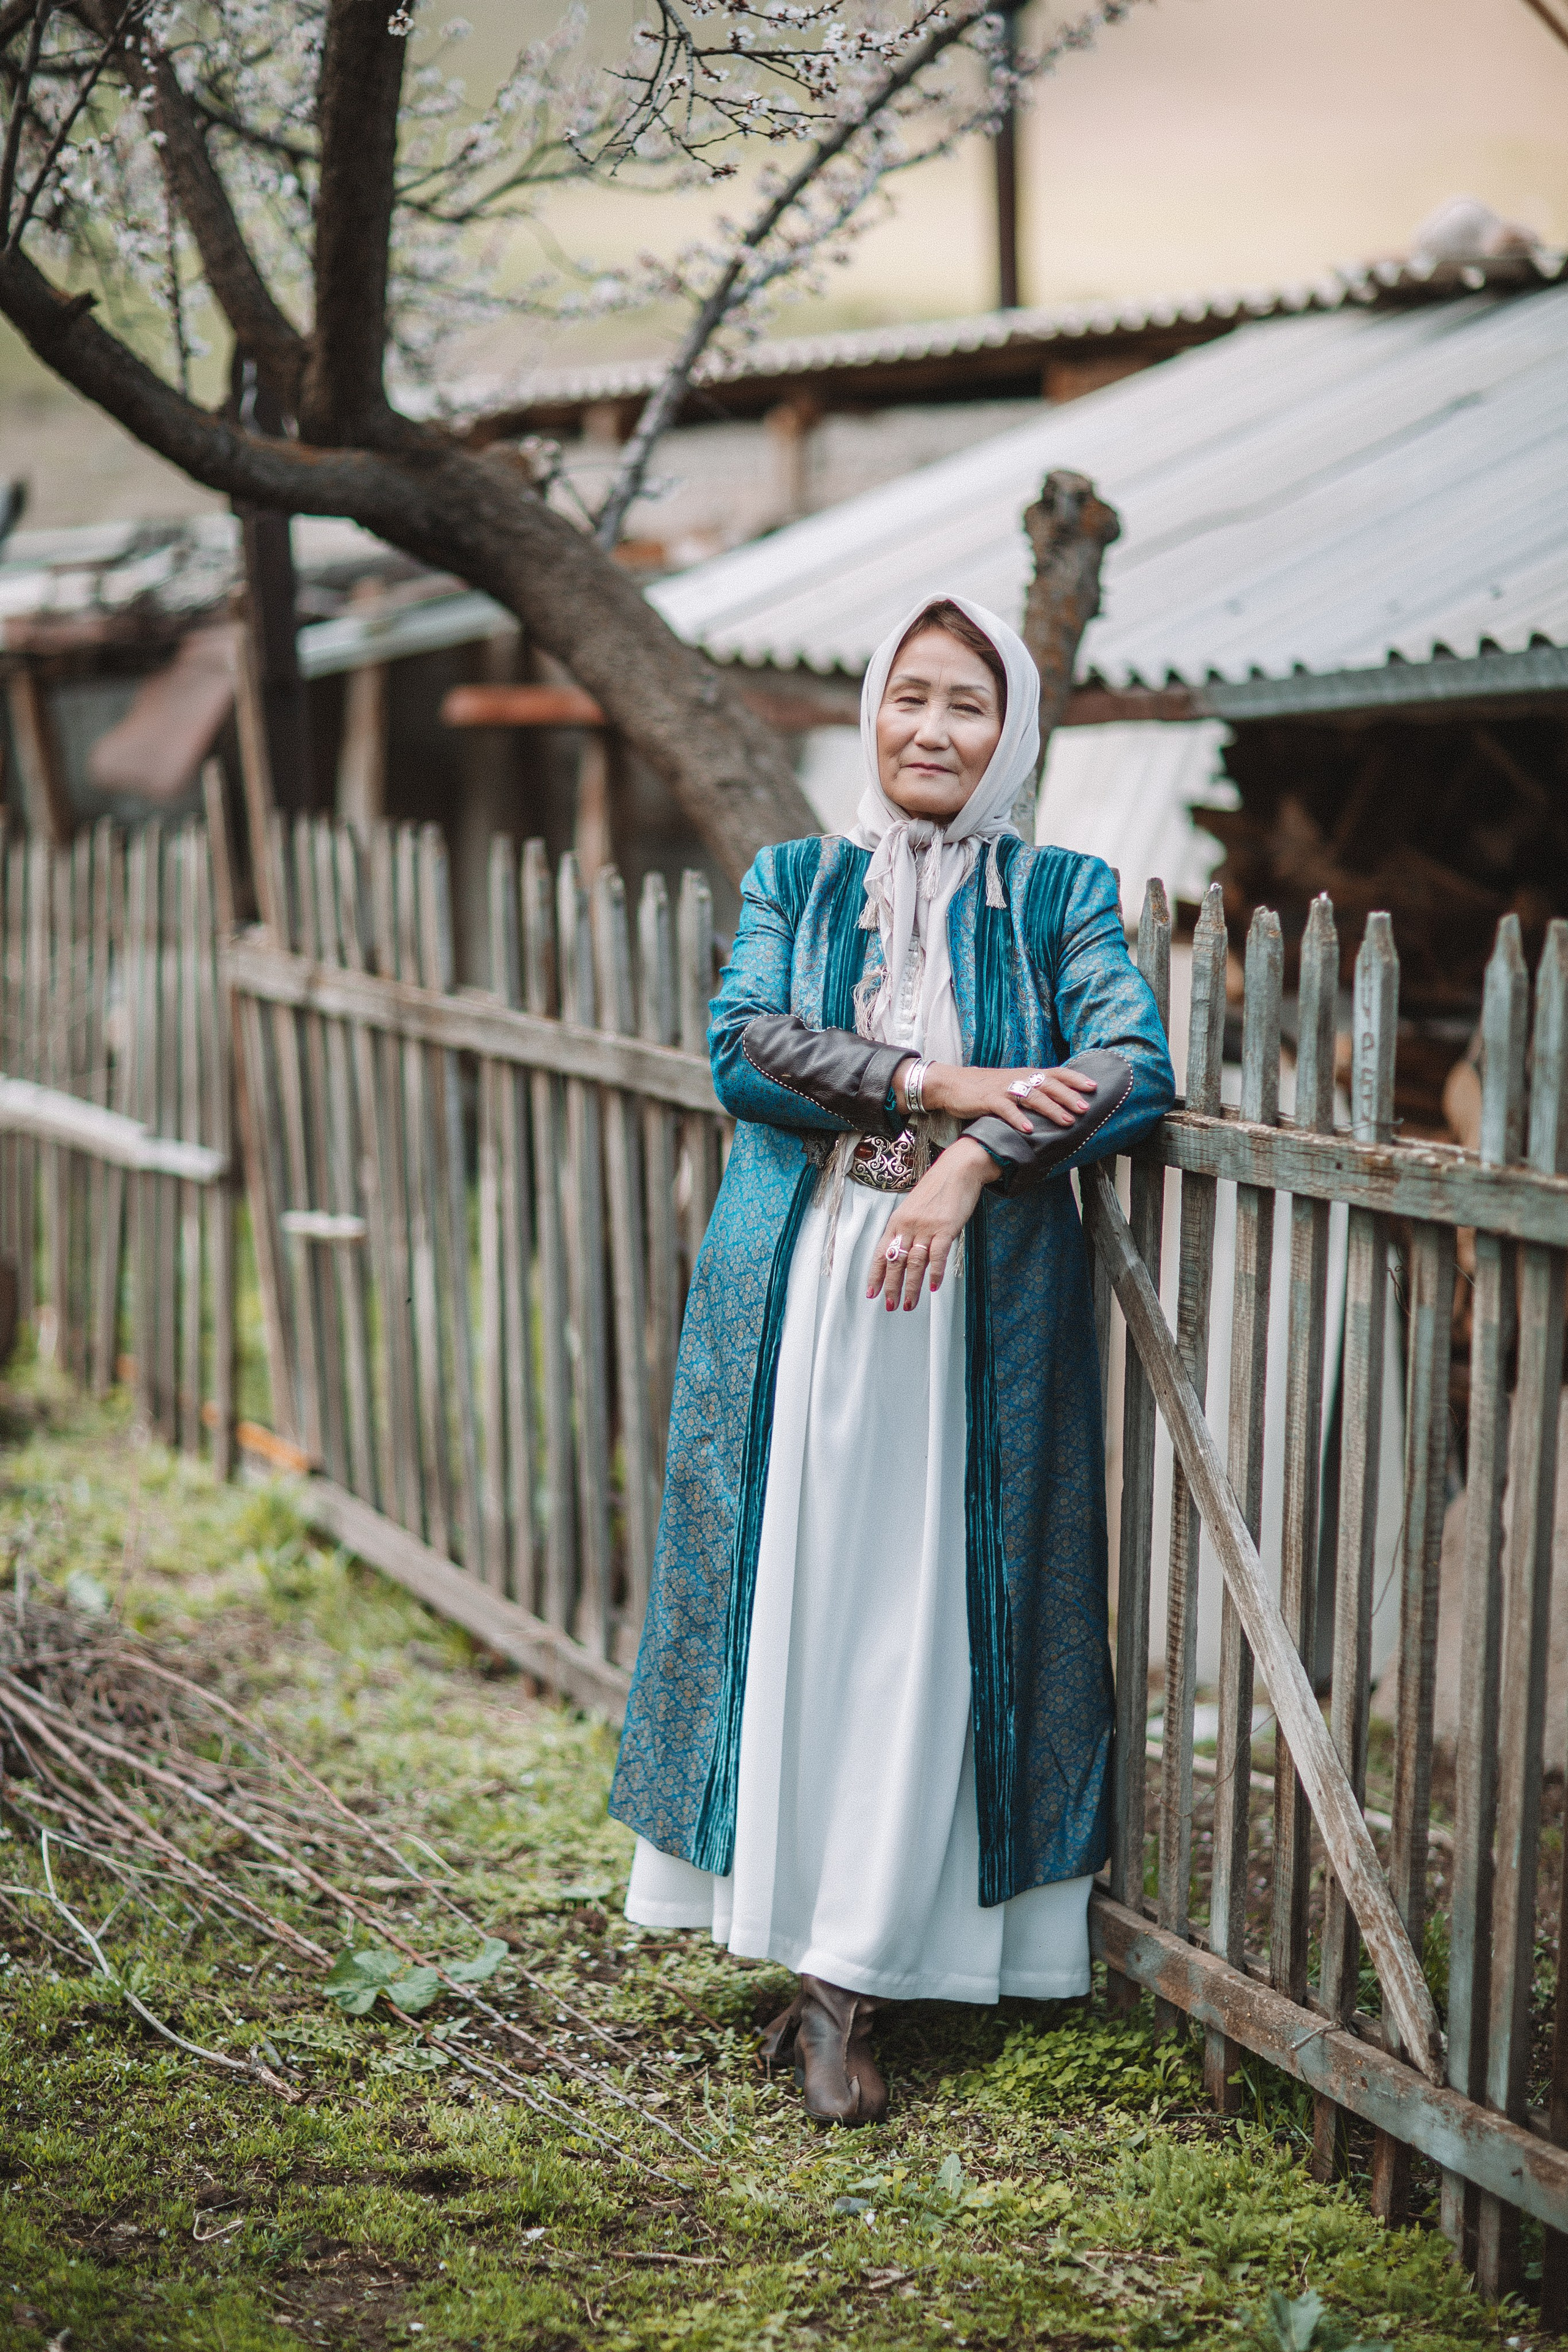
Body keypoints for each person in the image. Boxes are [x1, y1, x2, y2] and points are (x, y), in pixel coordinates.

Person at [609, 592, 1175, 2125]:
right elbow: (745, 1046)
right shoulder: (801, 877)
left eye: (967, 707)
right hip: (801, 1293)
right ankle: (793, 1926)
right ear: (870, 712)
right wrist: (925, 1074)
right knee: (802, 1592)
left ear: (1013, 737)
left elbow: (1130, 1068)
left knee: (933, 1614)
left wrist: (969, 1157)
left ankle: (860, 1973)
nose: (931, 731)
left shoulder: (1057, 897)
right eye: (908, 699)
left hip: (966, 1321)